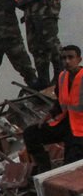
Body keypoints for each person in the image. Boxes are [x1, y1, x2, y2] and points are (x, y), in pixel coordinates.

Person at [23, 43, 83, 173]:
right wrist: (47, 117)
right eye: (64, 58)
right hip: (65, 124)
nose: (67, 61)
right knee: (31, 134)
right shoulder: (62, 77)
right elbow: (59, 103)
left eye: (70, 57)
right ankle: (44, 169)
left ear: (79, 59)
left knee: (70, 167)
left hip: (80, 131)